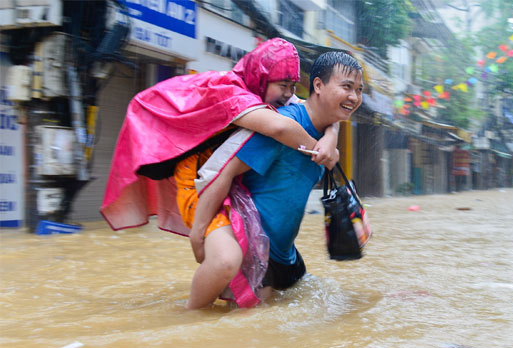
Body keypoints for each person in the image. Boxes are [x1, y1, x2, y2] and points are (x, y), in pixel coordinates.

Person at [101, 38, 338, 235]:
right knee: (225, 258)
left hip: (219, 176)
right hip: (195, 179)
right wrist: (321, 151)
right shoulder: (232, 94)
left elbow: (316, 109)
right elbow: (279, 128)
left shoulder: (258, 91)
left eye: (293, 86)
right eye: (283, 85)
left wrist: (331, 134)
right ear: (261, 76)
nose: (288, 94)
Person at [186, 51, 364, 309]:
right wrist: (198, 233)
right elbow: (225, 171)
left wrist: (332, 133)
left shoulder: (327, 128)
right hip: (253, 252)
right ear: (318, 85)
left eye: (359, 90)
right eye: (347, 87)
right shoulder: (283, 125)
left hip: (285, 257)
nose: (354, 97)